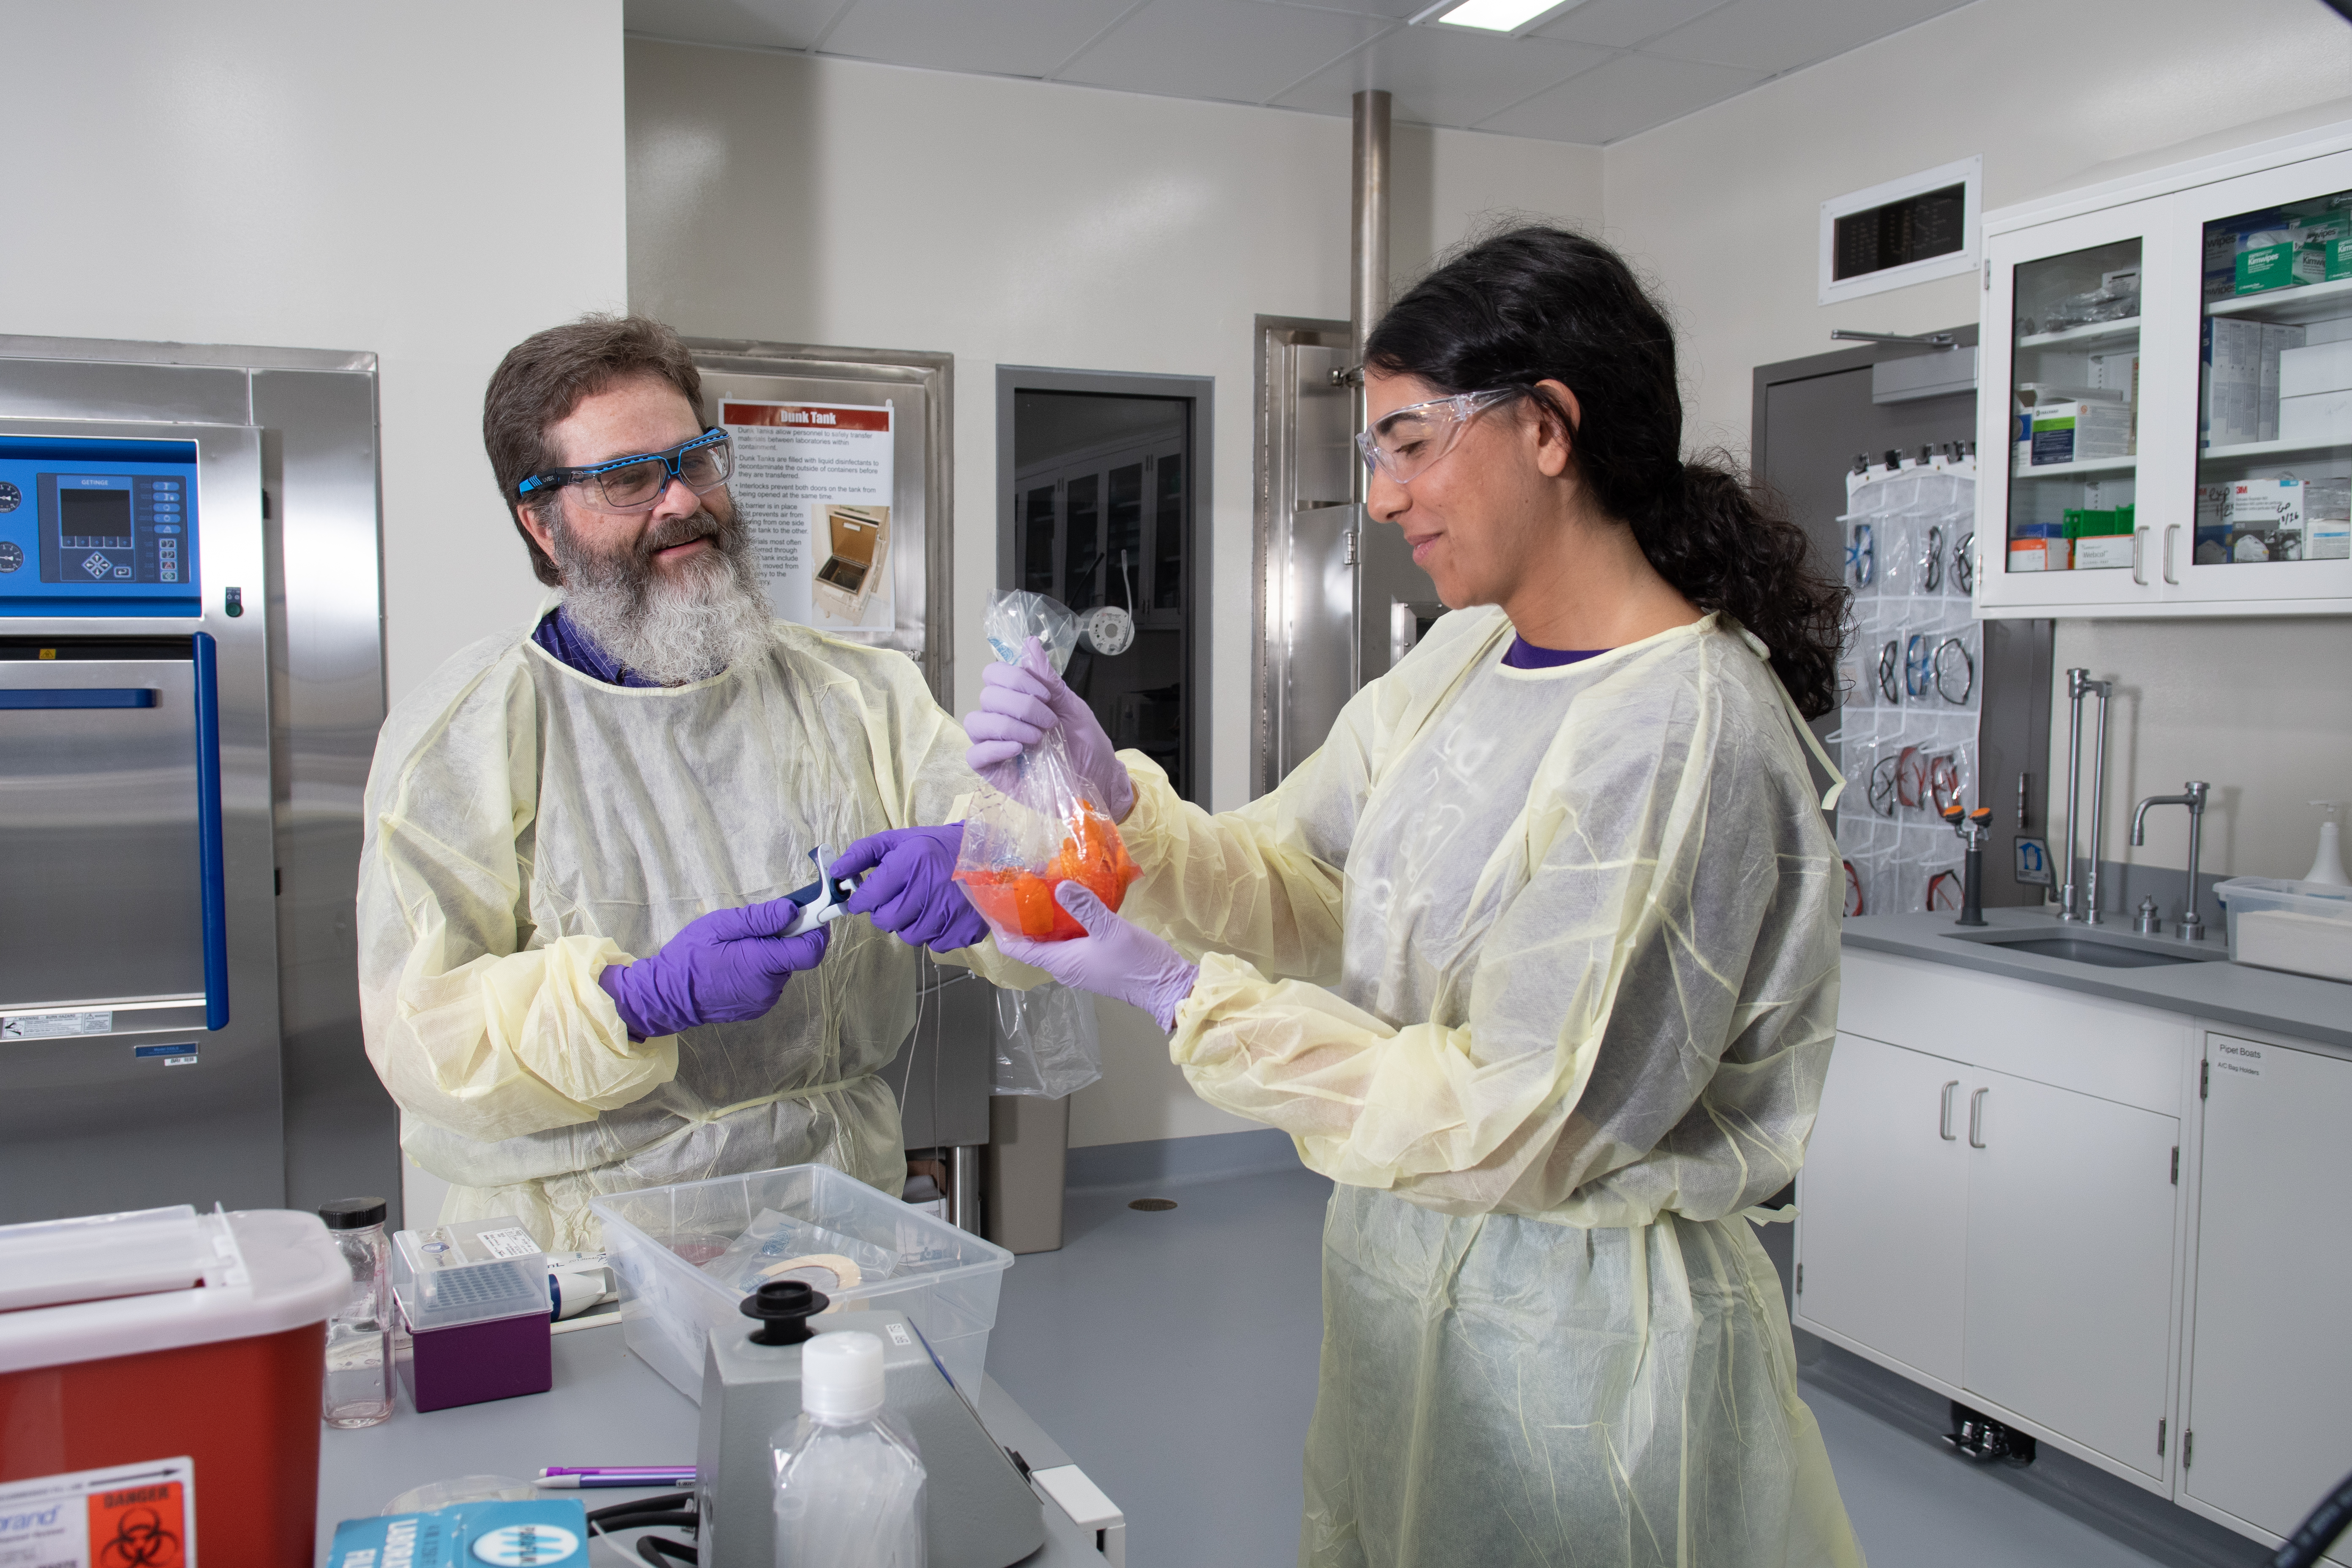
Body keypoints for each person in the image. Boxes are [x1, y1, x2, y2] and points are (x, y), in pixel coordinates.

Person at [967, 228, 1865, 1567]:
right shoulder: (1465, 657)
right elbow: (1314, 878)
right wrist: (1124, 813)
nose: (1382, 499)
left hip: (1590, 1353)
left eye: (1408, 440)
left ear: (1549, 428)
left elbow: (1520, 1117)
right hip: (1406, 1288)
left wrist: (1186, 1001)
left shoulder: (1682, 728)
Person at [358, 313, 1015, 1249]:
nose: (680, 502)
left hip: (835, 1229)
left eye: (696, 459)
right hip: (576, 1258)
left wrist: (992, 869)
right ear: (540, 523)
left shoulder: (860, 693)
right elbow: (422, 1038)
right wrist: (633, 1001)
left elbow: (1050, 892)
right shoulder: (471, 732)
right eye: (627, 479)